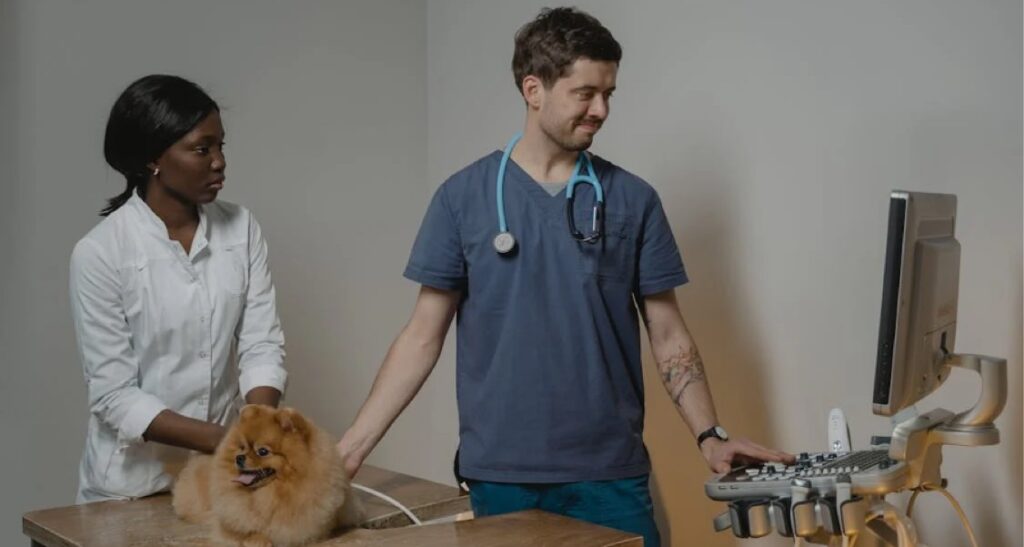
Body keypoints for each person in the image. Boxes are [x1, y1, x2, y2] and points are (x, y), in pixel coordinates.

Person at [337, 8, 791, 545]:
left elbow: (668, 335)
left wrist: (710, 436)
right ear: (534, 89)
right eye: (585, 93)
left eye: (609, 94)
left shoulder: (633, 200)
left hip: (609, 474)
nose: (600, 110)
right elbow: (420, 336)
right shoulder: (462, 199)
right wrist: (349, 452)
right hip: (501, 475)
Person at [70, 74, 286, 503]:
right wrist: (229, 442)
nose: (219, 161)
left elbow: (261, 344)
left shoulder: (241, 228)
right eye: (201, 149)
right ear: (154, 158)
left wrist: (257, 425)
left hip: (219, 481)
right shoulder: (99, 253)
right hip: (129, 489)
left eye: (221, 146)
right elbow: (114, 395)